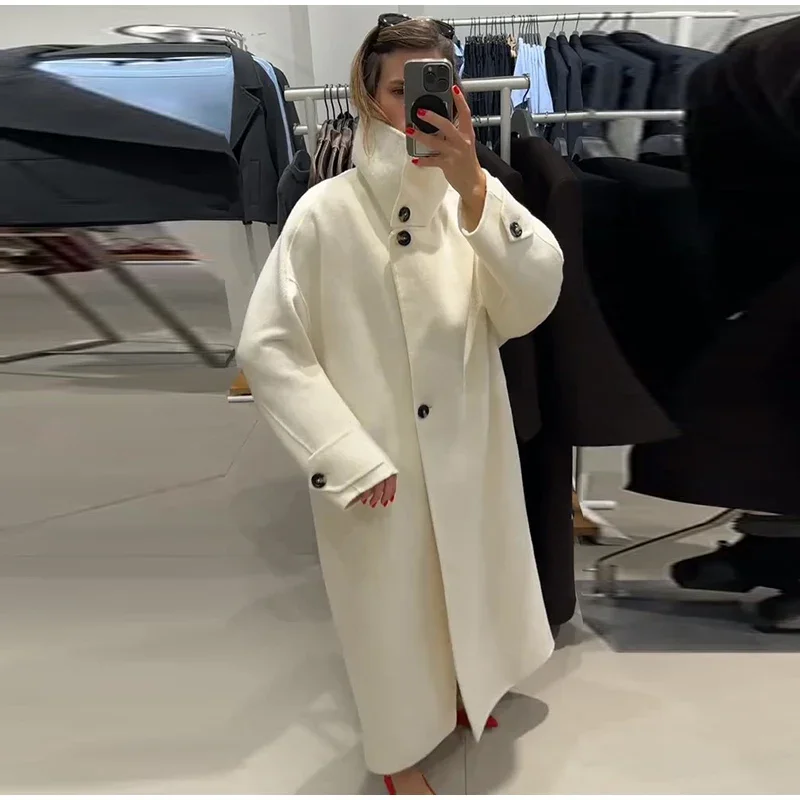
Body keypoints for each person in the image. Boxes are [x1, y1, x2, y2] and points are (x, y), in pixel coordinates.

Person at [237, 14, 564, 794]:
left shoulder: (472, 199)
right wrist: (341, 455)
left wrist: (475, 191)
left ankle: (468, 689)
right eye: (400, 88)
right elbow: (269, 347)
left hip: (467, 446)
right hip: (378, 452)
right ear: (369, 97)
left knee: (469, 579)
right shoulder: (326, 212)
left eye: (438, 84)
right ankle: (398, 753)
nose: (420, 103)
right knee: (390, 612)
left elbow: (530, 303)